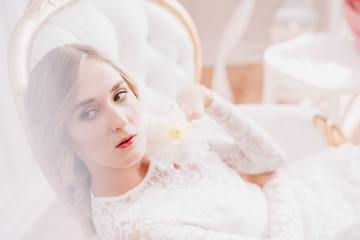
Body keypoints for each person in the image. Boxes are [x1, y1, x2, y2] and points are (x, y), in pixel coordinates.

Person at [25, 44, 360, 240]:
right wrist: (273, 186)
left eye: (120, 94)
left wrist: (207, 98)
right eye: (88, 113)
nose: (121, 121)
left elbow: (269, 160)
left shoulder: (155, 139)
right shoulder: (142, 228)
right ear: (61, 138)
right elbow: (272, 174)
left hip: (312, 194)